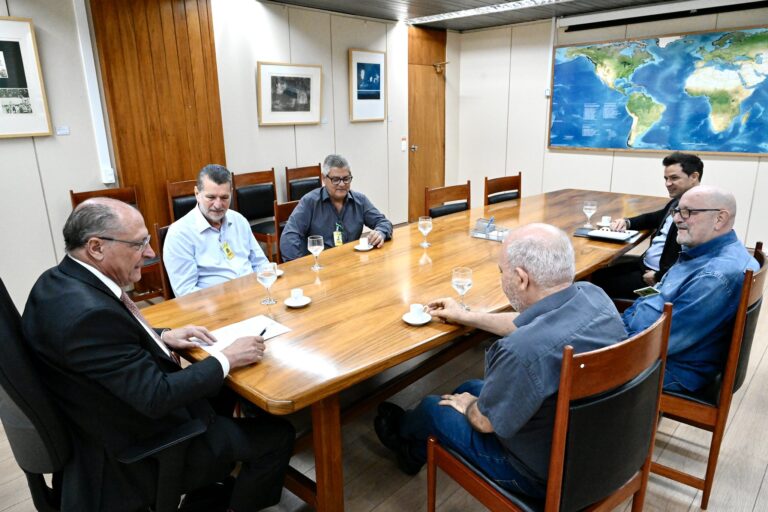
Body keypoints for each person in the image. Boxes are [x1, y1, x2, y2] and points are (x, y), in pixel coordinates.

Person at [22, 198, 294, 512]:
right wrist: (227, 358)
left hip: (101, 419)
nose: (151, 254)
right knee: (277, 434)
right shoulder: (89, 318)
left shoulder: (55, 283)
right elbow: (156, 396)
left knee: (228, 391)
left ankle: (217, 485)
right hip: (141, 450)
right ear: (96, 247)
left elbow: (111, 342)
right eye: (139, 244)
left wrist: (161, 335)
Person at [373, 224, 627, 498]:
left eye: (501, 272)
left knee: (433, 407)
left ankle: (404, 440)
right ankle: (414, 451)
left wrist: (471, 404)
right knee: (468, 384)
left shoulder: (522, 351)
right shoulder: (594, 296)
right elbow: (530, 326)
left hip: (543, 477)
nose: (501, 278)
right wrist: (466, 316)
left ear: (521, 278)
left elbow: (484, 423)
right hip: (599, 451)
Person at [623, 185, 758, 393]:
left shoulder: (715, 276)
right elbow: (658, 292)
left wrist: (616, 335)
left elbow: (660, 343)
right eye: (677, 211)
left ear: (720, 219)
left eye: (688, 212)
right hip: (649, 341)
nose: (677, 219)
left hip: (668, 367)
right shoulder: (703, 252)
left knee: (566, 365)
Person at [592, 152, 703, 299]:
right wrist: (627, 222)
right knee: (596, 273)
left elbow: (693, 260)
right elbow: (653, 217)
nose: (667, 183)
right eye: (666, 178)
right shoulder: (678, 201)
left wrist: (659, 276)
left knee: (593, 284)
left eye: (674, 178)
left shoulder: (699, 212)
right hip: (644, 267)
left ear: (694, 177)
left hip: (657, 283)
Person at [164, 164, 269, 297]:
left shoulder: (239, 220)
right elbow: (186, 293)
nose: (218, 205)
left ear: (231, 192)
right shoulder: (179, 234)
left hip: (254, 296)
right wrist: (230, 299)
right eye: (211, 197)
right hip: (215, 309)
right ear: (197, 193)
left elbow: (260, 263)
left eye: (224, 197)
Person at [279, 154, 393, 261]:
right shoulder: (310, 202)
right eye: (336, 179)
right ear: (324, 178)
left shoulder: (360, 200)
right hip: (321, 266)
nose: (342, 184)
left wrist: (380, 233)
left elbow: (383, 222)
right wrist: (301, 267)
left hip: (352, 263)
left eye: (346, 179)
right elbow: (288, 238)